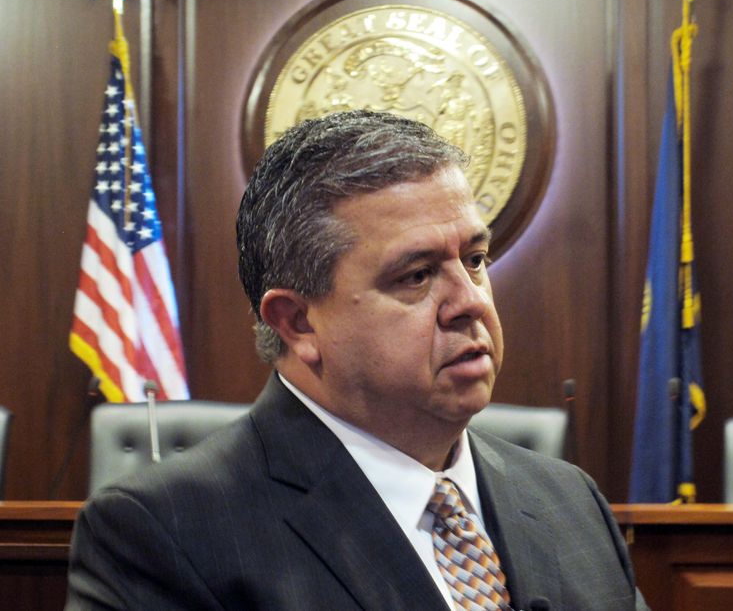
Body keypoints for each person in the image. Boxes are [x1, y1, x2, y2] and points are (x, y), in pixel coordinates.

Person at [66, 110, 649, 610]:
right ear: (298, 323)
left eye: (474, 260)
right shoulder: (164, 533)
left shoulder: (569, 500)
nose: (471, 302)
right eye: (417, 275)